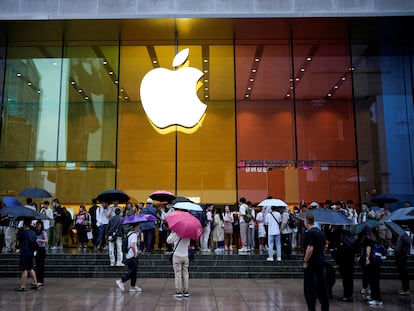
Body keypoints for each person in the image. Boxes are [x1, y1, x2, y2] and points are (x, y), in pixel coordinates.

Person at [302, 212, 329, 311]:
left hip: (312, 264)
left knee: (310, 288)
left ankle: (311, 308)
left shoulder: (310, 233)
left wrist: (305, 261)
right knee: (322, 287)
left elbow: (310, 248)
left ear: (306, 221)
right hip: (320, 261)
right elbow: (325, 245)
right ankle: (325, 307)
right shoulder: (320, 232)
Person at [116, 222, 142, 292]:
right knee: (133, 271)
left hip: (128, 255)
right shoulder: (133, 235)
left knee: (134, 271)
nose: (139, 227)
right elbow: (132, 245)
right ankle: (121, 280)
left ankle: (133, 286)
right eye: (138, 226)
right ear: (136, 227)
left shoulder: (129, 233)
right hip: (132, 255)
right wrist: (135, 253)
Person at [15, 219, 39, 291]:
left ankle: (23, 286)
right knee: (30, 268)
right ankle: (35, 283)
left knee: (24, 269)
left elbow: (15, 240)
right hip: (31, 252)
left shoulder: (23, 233)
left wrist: (16, 232)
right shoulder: (33, 233)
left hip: (24, 252)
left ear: (24, 225)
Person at [167, 230, 191, 298]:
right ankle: (186, 291)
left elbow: (168, 240)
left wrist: (172, 233)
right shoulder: (188, 234)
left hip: (177, 255)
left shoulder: (176, 233)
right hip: (185, 255)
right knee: (185, 274)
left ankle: (178, 291)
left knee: (178, 274)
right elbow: (188, 244)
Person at [392, 229, 411, 296]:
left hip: (401, 255)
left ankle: (406, 289)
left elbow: (409, 242)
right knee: (402, 272)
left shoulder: (403, 235)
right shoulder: (400, 235)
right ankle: (405, 289)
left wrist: (405, 249)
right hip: (399, 255)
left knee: (403, 272)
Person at [34, 220, 47, 286]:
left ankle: (41, 281)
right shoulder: (35, 232)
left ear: (41, 225)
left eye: (38, 224)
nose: (37, 226)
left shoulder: (43, 232)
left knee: (41, 265)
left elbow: (46, 240)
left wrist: (39, 240)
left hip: (42, 249)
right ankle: (36, 280)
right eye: (36, 224)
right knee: (37, 265)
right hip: (36, 249)